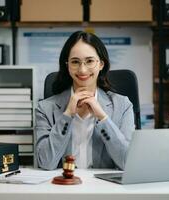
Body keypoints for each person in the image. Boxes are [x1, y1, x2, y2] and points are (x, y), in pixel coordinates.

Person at [36, 31, 135, 170]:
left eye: (89, 61)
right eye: (75, 62)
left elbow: (128, 162)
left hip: (104, 188)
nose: (82, 70)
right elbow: (45, 162)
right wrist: (67, 115)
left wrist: (103, 117)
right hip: (63, 187)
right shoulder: (45, 108)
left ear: (101, 64)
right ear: (67, 65)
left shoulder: (123, 106)